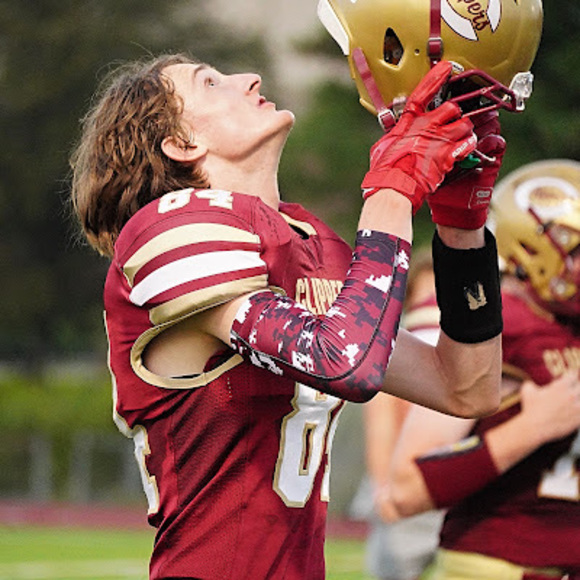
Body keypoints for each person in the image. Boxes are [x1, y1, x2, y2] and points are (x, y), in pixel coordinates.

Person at [69, 51, 505, 579]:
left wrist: (461, 226)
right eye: (211, 83)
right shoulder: (166, 229)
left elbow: (466, 389)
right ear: (182, 145)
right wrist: (393, 188)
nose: (248, 77)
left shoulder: (307, 240)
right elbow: (342, 362)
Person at [384, 160, 580, 580]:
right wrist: (532, 428)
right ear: (533, 251)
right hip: (499, 563)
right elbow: (402, 490)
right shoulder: (500, 326)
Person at [362, 249, 445, 580]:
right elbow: (381, 422)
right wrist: (384, 486)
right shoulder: (396, 354)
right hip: (407, 487)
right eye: (426, 297)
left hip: (460, 489)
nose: (433, 307)